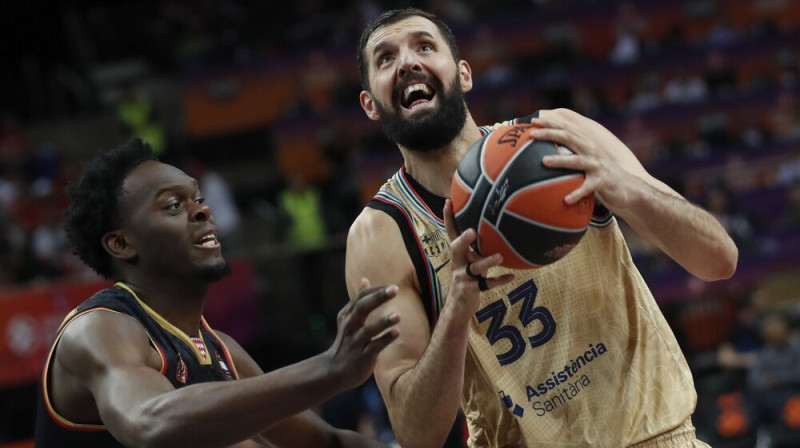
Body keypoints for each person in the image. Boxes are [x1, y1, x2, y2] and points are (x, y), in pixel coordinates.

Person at [344, 8, 739, 448]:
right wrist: (456, 311)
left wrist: (624, 189)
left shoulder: (558, 135)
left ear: (463, 74)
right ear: (370, 105)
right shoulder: (380, 235)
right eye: (385, 58)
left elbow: (719, 260)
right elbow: (417, 436)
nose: (407, 63)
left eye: (424, 46)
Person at [35, 138, 400, 448]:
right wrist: (329, 367)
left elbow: (327, 444)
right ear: (121, 243)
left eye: (198, 198)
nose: (202, 211)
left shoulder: (221, 351)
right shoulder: (99, 329)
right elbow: (150, 421)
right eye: (174, 206)